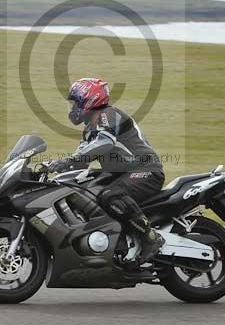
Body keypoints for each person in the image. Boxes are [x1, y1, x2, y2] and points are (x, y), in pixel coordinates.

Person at [47, 77, 165, 263]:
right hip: (126, 174)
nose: (72, 109)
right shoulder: (89, 129)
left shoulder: (108, 115)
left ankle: (150, 238)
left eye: (74, 103)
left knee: (111, 195)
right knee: (87, 192)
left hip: (146, 170)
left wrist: (69, 160)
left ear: (90, 100)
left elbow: (104, 143)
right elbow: (80, 160)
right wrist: (53, 168)